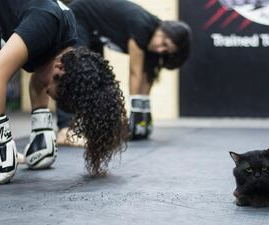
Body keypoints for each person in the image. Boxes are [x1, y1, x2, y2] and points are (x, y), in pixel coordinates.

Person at [0, 0, 128, 184]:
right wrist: (2, 146)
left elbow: (39, 80)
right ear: (59, 69)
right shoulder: (46, 22)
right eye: (49, 89)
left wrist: (42, 130)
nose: (45, 90)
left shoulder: (59, 46)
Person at [56, 0, 192, 145]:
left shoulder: (153, 44)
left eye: (166, 51)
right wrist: (134, 114)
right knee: (75, 70)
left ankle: (89, 129)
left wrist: (143, 117)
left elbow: (147, 77)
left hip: (94, 30)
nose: (160, 50)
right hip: (79, 16)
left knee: (96, 77)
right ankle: (65, 130)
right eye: (164, 43)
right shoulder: (142, 25)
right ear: (162, 29)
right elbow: (135, 72)